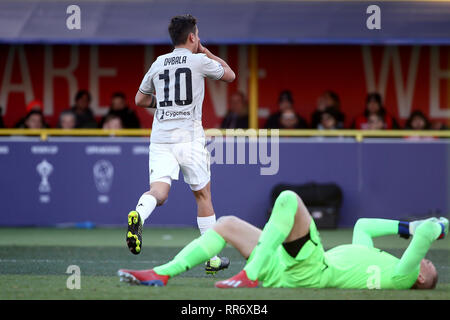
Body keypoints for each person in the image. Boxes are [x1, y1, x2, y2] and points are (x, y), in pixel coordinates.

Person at [118, 190, 448, 289]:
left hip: (313, 271)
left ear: (420, 277)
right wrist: (408, 228)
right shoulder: (380, 261)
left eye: (429, 266)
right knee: (227, 224)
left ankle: (249, 274)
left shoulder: (402, 276)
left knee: (289, 199)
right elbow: (362, 226)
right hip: (287, 270)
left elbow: (431, 233)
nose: (428, 261)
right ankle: (163, 273)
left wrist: (440, 224)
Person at [128, 14, 236, 275]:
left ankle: (139, 215)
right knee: (203, 195)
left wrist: (164, 104)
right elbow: (230, 75)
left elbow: (141, 100)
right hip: (189, 137)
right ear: (192, 37)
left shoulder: (158, 62)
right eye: (197, 35)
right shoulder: (199, 60)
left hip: (161, 137)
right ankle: (211, 258)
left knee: (159, 192)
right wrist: (206, 51)